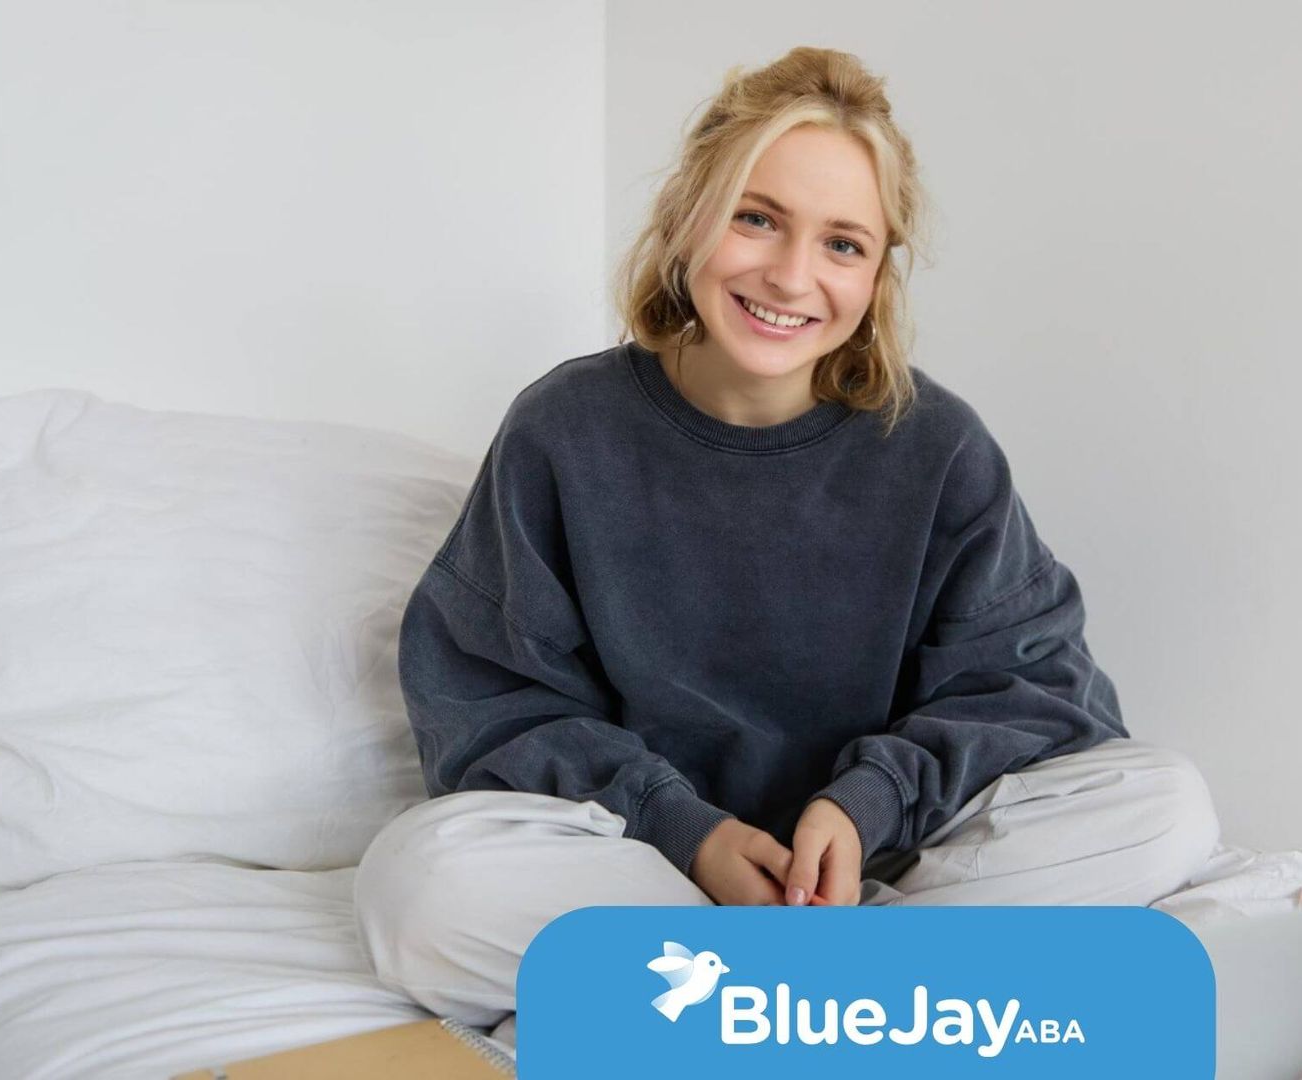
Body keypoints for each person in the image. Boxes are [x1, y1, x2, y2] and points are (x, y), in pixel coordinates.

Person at [353, 45, 1219, 1034]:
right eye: (756, 218)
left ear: (878, 274)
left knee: (1167, 805)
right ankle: (874, 997)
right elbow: (491, 703)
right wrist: (689, 833)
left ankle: (769, 993)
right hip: (650, 871)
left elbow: (1034, 691)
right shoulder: (564, 429)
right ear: (689, 215)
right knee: (415, 889)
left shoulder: (939, 447)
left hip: (886, 867)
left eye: (843, 243)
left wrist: (866, 805)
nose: (792, 275)